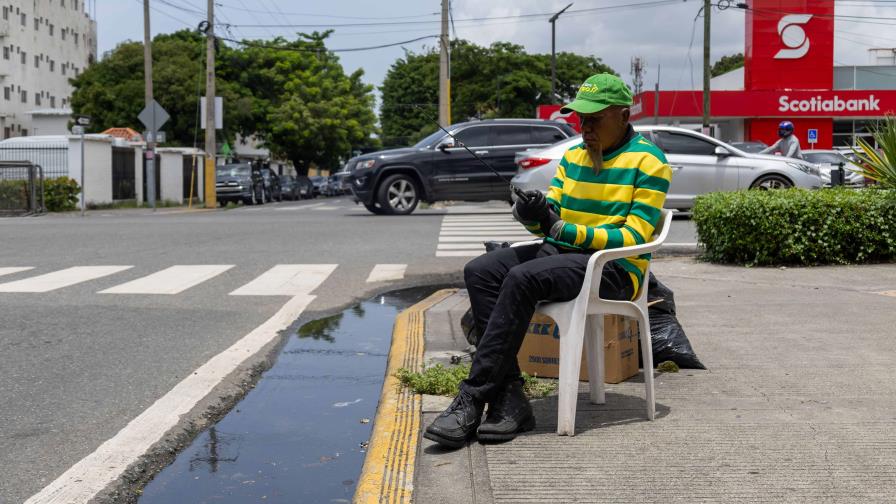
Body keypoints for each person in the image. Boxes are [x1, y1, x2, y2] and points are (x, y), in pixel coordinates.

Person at [423, 73, 672, 448]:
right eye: (580, 120)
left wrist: (561, 228)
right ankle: (510, 399)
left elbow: (636, 237)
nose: (584, 128)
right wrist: (534, 212)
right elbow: (551, 215)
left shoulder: (650, 162)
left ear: (623, 116)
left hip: (613, 269)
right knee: (481, 271)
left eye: (594, 120)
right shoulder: (573, 156)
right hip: (565, 256)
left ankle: (473, 397)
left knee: (523, 277)